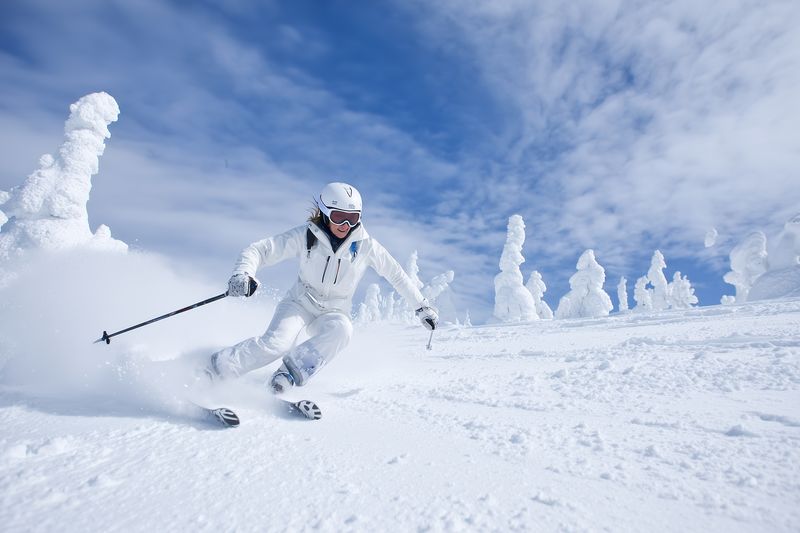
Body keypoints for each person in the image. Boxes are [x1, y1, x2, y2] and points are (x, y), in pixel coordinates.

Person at [205, 182, 438, 393]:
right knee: (276, 345)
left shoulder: (367, 246)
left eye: (352, 218)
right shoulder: (306, 236)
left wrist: (421, 307)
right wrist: (243, 273)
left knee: (342, 331)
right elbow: (260, 250)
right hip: (299, 303)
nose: (345, 225)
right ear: (326, 213)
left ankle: (286, 376)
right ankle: (217, 368)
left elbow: (396, 276)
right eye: (339, 217)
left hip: (334, 311)